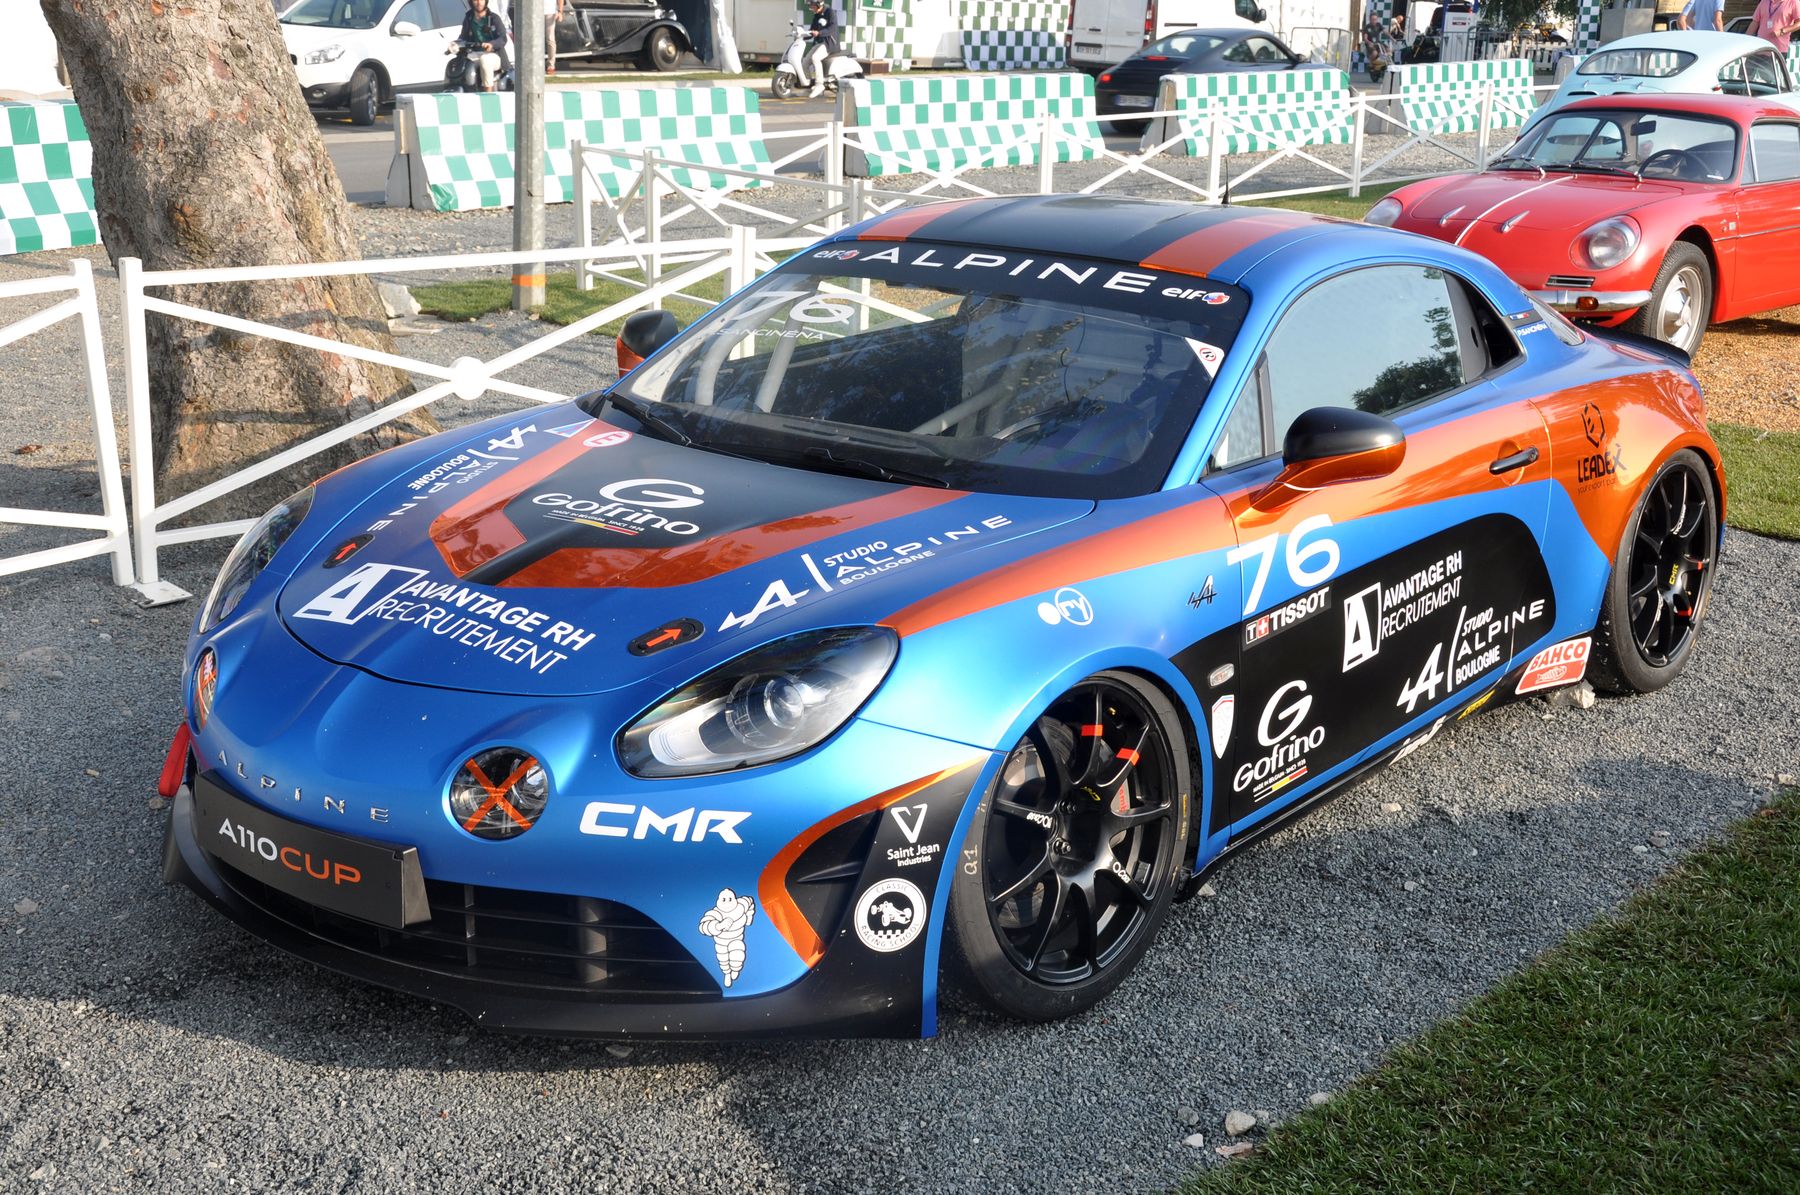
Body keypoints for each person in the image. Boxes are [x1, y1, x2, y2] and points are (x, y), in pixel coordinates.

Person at [450, 0, 510, 92]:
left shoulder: (494, 18)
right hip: (474, 53)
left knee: (485, 60)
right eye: (475, 0)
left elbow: (502, 38)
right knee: (459, 63)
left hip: (494, 54)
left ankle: (488, 93)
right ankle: (459, 89)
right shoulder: (469, 18)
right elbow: (463, 37)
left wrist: (492, 44)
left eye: (481, 0)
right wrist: (456, 44)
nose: (479, 2)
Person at [802, 0, 840, 99]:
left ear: (819, 5)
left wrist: (819, 33)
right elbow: (812, 31)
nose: (811, 8)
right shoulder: (816, 15)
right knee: (805, 62)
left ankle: (819, 84)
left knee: (815, 58)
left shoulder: (830, 12)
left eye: (813, 6)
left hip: (829, 43)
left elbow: (832, 28)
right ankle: (809, 86)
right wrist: (802, 35)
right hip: (820, 43)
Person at [546, 0, 567, 74]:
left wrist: (560, 12)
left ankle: (551, 65)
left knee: (550, 39)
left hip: (550, 12)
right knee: (534, 40)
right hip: (534, 12)